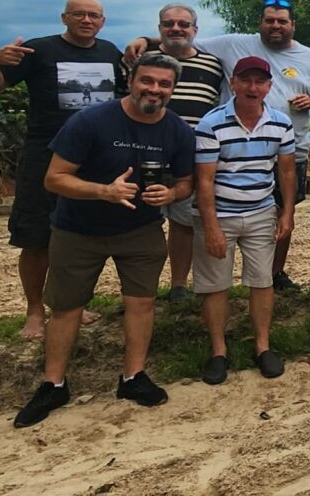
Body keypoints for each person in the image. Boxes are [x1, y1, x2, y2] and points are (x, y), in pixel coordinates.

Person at [13, 53, 194, 427]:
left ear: (173, 89)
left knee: (141, 304)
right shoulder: (91, 120)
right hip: (78, 229)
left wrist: (172, 196)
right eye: (148, 81)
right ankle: (53, 384)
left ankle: (133, 377)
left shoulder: (177, 129)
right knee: (66, 308)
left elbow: (186, 181)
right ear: (131, 80)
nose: (155, 90)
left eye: (164, 84)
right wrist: (103, 191)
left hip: (141, 231)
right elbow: (54, 178)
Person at [127, 0, 310, 292]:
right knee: (197, 216)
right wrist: (145, 39)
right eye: (269, 20)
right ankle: (182, 284)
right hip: (231, 148)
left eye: (282, 21)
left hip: (290, 148)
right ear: (260, 23)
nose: (275, 25)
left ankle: (274, 274)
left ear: (292, 25)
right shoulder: (234, 43)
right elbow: (184, 39)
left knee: (282, 214)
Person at [0, 0, 126, 339]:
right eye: (79, 14)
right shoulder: (39, 51)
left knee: (81, 237)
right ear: (65, 17)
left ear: (103, 21)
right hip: (45, 155)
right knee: (36, 236)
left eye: (94, 15)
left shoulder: (110, 53)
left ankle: (70, 304)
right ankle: (34, 311)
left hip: (96, 158)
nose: (87, 20)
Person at [192, 56, 295, 384]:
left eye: (259, 81)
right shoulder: (211, 123)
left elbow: (287, 169)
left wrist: (287, 211)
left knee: (262, 281)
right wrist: (211, 227)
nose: (253, 87)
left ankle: (263, 347)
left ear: (269, 86)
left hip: (261, 211)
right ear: (233, 82)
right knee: (215, 284)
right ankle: (218, 351)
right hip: (218, 213)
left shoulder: (280, 122)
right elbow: (204, 180)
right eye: (245, 80)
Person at [146, 3, 224, 304]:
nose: (176, 29)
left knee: (183, 224)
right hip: (146, 154)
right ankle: (142, 289)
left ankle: (178, 285)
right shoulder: (141, 60)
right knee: (143, 225)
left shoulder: (213, 65)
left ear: (195, 29)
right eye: (169, 24)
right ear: (159, 28)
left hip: (189, 159)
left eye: (183, 24)